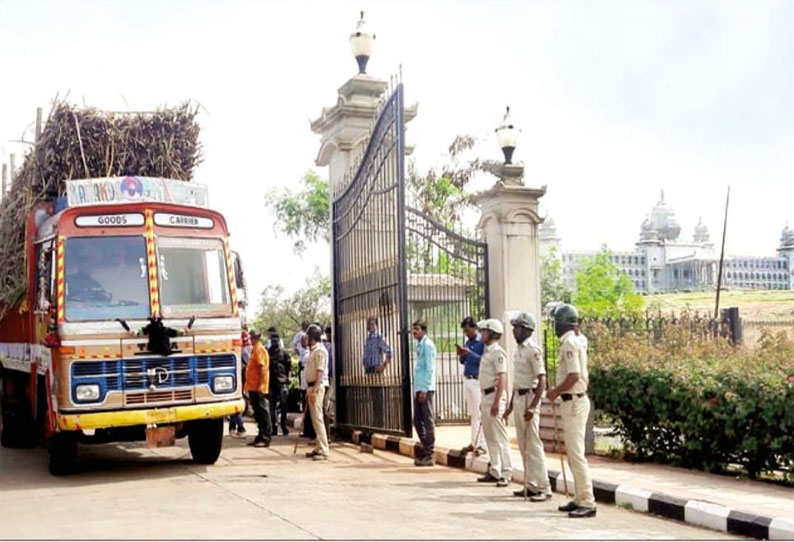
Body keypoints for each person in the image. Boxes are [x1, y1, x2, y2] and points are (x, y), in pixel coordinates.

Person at [546, 303, 596, 518]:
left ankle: (587, 501)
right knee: (573, 453)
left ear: (560, 324)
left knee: (576, 454)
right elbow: (581, 336)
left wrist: (555, 391)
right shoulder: (578, 340)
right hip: (575, 401)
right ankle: (578, 496)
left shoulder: (568, 343)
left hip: (574, 401)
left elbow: (574, 375)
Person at [505, 312, 552, 501]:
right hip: (518, 397)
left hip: (529, 398)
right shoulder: (519, 350)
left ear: (526, 330)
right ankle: (531, 483)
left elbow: (542, 381)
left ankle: (544, 486)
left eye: (517, 327)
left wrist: (533, 406)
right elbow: (517, 382)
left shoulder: (533, 350)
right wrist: (510, 406)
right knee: (523, 444)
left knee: (533, 444)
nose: (514, 331)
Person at [476, 318, 512, 487]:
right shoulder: (487, 351)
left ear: (491, 333)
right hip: (486, 396)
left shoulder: (498, 353)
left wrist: (497, 402)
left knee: (500, 436)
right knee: (490, 435)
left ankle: (506, 472)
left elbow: (502, 377)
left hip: (494, 396)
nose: (481, 334)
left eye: (484, 331)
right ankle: (495, 469)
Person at [456, 316, 487, 455]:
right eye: (464, 331)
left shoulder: (482, 342)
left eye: (468, 330)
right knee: (473, 413)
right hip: (468, 378)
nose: (466, 333)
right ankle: (473, 441)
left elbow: (485, 361)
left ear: (474, 328)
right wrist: (462, 355)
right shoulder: (468, 342)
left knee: (480, 413)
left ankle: (482, 444)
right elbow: (464, 361)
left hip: (477, 379)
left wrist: (470, 354)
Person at [412, 320, 436, 467]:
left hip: (425, 388)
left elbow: (430, 368)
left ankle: (430, 452)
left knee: (427, 420)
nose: (414, 332)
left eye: (417, 329)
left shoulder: (428, 345)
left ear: (424, 330)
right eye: (413, 329)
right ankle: (425, 447)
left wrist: (425, 389)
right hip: (418, 387)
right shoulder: (419, 345)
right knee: (417, 420)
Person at [304, 324, 330, 460]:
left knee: (318, 418)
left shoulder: (320, 351)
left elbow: (320, 371)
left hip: (317, 387)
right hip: (312, 386)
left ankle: (324, 450)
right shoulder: (313, 350)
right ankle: (319, 446)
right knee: (314, 418)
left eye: (308, 336)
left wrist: (314, 388)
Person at [363, 316, 392, 428]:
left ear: (376, 325)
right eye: (369, 324)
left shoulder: (379, 337)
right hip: (368, 370)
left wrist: (383, 366)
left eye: (372, 324)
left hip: (376, 369)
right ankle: (374, 422)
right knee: (372, 397)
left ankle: (380, 424)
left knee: (378, 397)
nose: (370, 326)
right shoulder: (368, 339)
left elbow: (389, 351)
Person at [244, 329, 272, 448]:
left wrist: (260, 384)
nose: (250, 339)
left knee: (263, 413)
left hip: (258, 388)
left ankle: (265, 437)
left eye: (252, 337)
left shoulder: (260, 350)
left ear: (256, 338)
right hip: (253, 387)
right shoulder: (254, 350)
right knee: (258, 414)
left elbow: (262, 368)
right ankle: (260, 436)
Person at [267, 327, 291, 437]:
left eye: (276, 339)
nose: (275, 342)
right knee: (272, 407)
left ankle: (284, 426)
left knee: (284, 405)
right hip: (271, 383)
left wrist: (288, 378)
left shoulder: (284, 353)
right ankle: (274, 427)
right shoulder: (267, 352)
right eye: (273, 340)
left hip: (282, 382)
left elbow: (289, 366)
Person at [229, 326, 250, 437]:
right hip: (240, 378)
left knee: (236, 402)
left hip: (237, 377)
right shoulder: (247, 350)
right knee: (237, 403)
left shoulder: (241, 349)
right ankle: (239, 427)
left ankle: (234, 427)